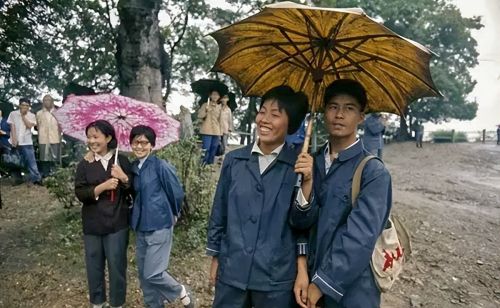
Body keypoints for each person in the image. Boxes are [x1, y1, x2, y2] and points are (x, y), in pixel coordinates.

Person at [206, 85, 313, 308]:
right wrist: (216, 256)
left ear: (290, 124)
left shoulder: (299, 167)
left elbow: (302, 224)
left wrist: (308, 182)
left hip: (276, 278)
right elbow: (220, 211)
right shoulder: (235, 161)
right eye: (262, 111)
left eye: (275, 114)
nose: (264, 119)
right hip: (232, 270)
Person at [290, 79, 392, 308]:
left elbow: (360, 236)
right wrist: (302, 268)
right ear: (324, 112)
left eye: (349, 108)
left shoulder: (373, 171)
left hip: (352, 290)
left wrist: (323, 283)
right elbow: (299, 224)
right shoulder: (311, 162)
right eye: (333, 106)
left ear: (361, 117)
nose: (339, 114)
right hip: (306, 283)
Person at [128, 125, 195, 308]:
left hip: (160, 224)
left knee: (153, 273)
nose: (139, 146)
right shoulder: (133, 168)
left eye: (144, 142)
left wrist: (174, 213)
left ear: (152, 145)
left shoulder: (160, 166)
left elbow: (177, 193)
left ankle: (181, 291)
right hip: (141, 226)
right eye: (135, 142)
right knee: (144, 275)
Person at [74, 120, 132, 308]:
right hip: (92, 223)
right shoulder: (85, 163)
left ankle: (117, 303)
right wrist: (103, 187)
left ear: (108, 138)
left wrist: (123, 177)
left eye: (96, 136)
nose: (92, 141)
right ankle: (97, 302)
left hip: (117, 222)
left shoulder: (121, 161)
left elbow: (133, 191)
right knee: (94, 266)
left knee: (117, 266)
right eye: (89, 137)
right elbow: (81, 193)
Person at [7, 98, 42, 185]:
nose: (25, 107)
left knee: (31, 160)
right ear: (19, 105)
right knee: (16, 161)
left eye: (27, 105)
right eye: (23, 105)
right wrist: (14, 140)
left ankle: (36, 178)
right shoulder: (13, 114)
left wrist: (23, 116)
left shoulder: (31, 115)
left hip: (27, 141)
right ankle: (17, 179)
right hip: (15, 141)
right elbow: (12, 126)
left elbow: (29, 126)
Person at [36, 94, 61, 177]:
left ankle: (56, 176)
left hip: (55, 138)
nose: (47, 102)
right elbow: (37, 127)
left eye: (49, 100)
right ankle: (46, 176)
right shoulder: (39, 113)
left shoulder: (57, 112)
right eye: (45, 100)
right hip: (43, 139)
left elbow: (60, 126)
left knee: (55, 159)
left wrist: (60, 137)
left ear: (52, 101)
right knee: (44, 159)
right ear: (43, 102)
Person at [197, 89, 222, 165]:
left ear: (219, 97)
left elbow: (220, 121)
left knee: (214, 149)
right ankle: (203, 165)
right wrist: (206, 110)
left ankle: (210, 165)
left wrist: (221, 133)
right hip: (206, 130)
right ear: (210, 96)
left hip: (216, 132)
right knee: (206, 149)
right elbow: (200, 116)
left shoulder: (219, 107)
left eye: (217, 95)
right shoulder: (205, 105)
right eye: (213, 94)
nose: (215, 96)